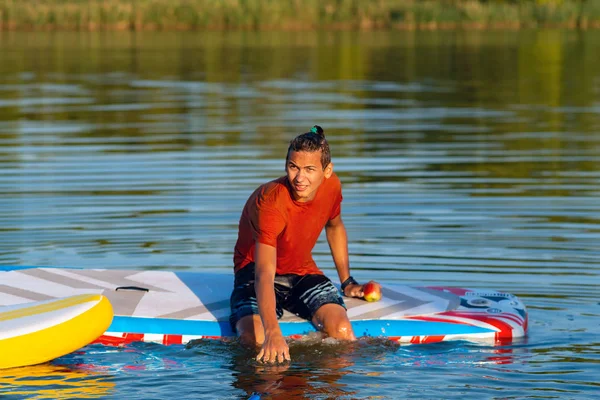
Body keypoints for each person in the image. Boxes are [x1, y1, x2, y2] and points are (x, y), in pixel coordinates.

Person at [229, 125, 382, 364]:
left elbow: (335, 226)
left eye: (310, 169)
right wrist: (273, 334)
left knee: (342, 331)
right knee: (255, 339)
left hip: (302, 271)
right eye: (293, 167)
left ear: (327, 170)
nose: (299, 178)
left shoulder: (332, 187)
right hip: (254, 272)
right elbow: (264, 273)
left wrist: (347, 281)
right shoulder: (269, 202)